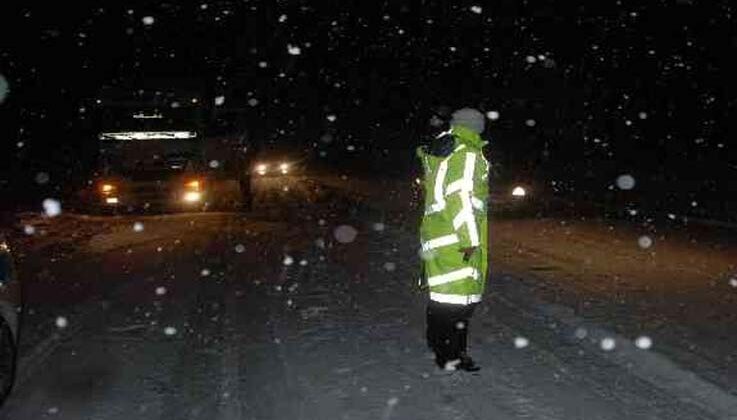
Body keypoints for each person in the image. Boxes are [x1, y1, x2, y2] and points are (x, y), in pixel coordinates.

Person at [416, 108, 489, 372]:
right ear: (475, 126)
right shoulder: (467, 153)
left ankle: (440, 347)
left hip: (437, 235)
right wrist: (470, 239)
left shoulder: (443, 149)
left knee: (443, 299)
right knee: (459, 303)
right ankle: (451, 356)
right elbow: (461, 199)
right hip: (457, 238)